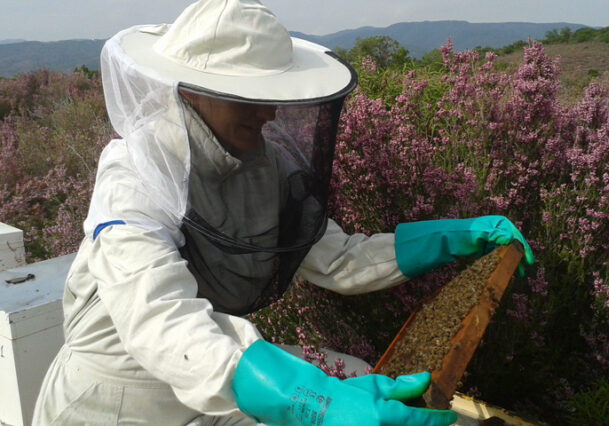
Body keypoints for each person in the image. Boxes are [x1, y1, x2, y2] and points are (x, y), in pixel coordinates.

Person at [32, 1, 534, 425]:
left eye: (272, 96)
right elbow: (158, 316)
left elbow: (336, 257)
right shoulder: (134, 172)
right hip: (111, 396)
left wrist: (454, 236)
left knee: (356, 373)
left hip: (219, 378)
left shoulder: (264, 166)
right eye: (249, 95)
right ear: (191, 90)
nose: (269, 113)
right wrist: (311, 402)